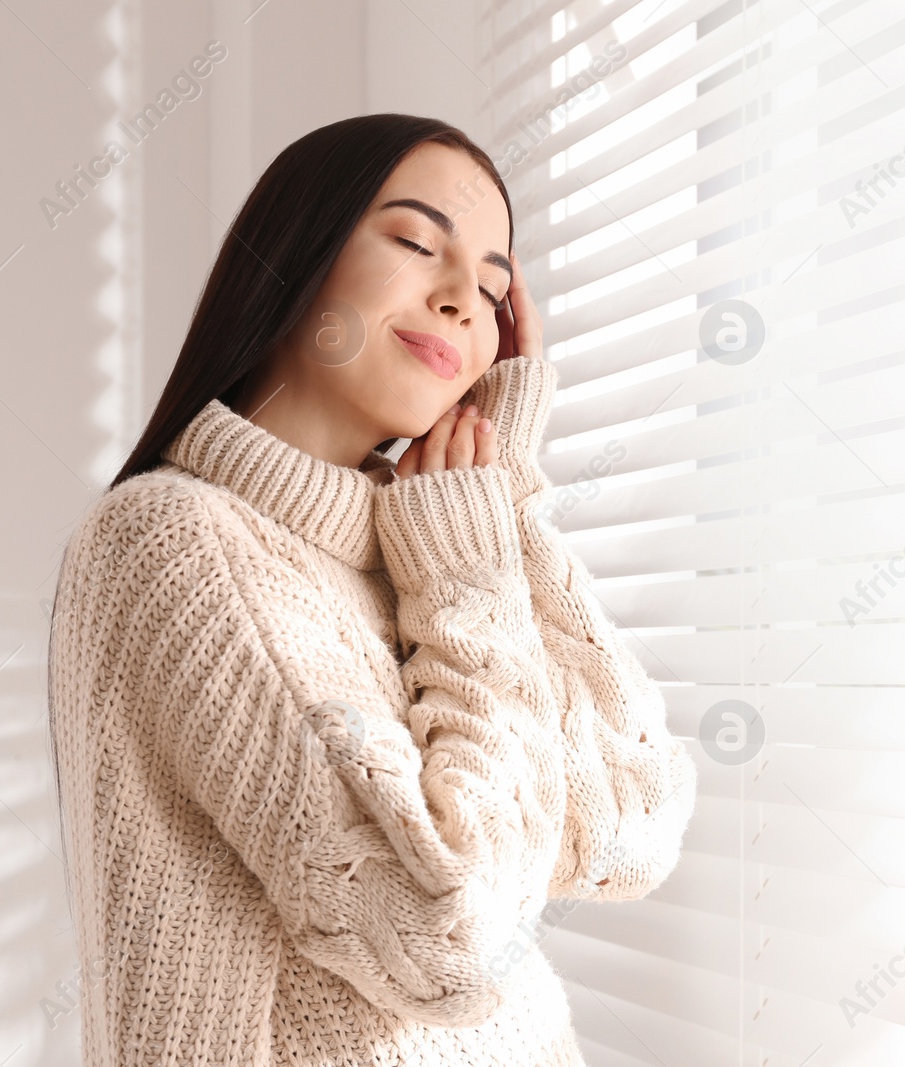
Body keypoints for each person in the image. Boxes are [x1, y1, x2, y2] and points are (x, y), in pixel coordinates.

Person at [46, 112, 697, 1066]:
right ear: (293, 258)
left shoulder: (424, 542)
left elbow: (628, 827)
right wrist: (469, 567)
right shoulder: (175, 540)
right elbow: (449, 936)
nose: (460, 301)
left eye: (492, 286)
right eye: (415, 241)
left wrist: (504, 502)